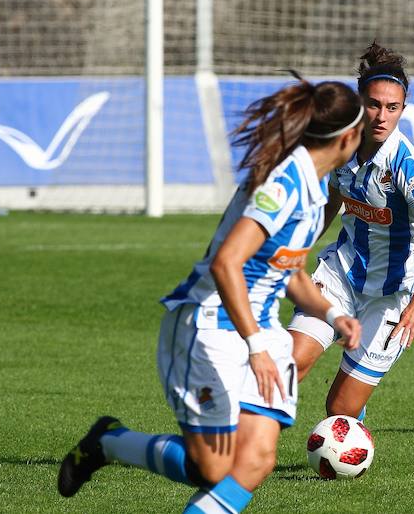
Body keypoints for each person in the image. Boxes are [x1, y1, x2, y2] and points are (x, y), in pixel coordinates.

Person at [57, 74, 364, 513]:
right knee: (212, 470)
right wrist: (255, 346)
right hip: (212, 327)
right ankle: (108, 441)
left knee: (257, 460)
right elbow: (227, 263)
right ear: (347, 137)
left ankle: (111, 442)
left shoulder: (316, 189)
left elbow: (290, 267)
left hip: (261, 331)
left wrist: (333, 315)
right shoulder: (284, 185)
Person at [288, 43, 414, 422]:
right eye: (375, 105)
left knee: (340, 411)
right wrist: (299, 251)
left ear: (402, 110)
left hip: (390, 296)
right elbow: (332, 198)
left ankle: (351, 448)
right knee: (290, 366)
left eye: (392, 108)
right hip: (340, 275)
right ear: (360, 103)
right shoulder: (343, 145)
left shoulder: (405, 166)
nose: (382, 116)